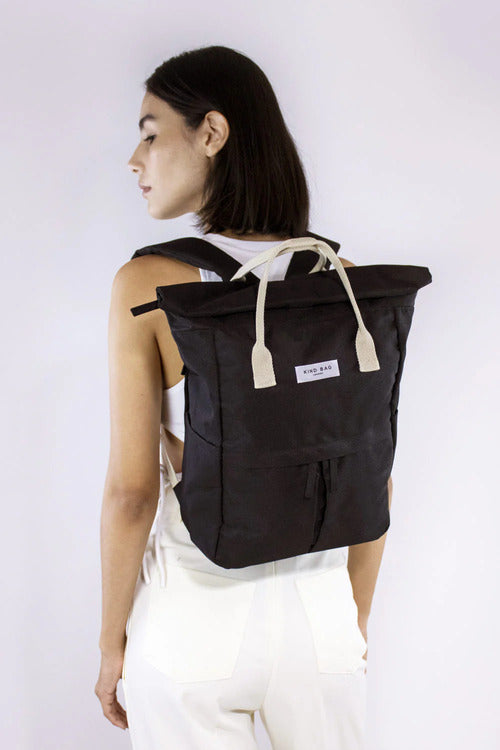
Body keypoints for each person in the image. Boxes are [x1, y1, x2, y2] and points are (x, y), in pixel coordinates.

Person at [95, 45, 393, 749]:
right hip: (320, 617)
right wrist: (351, 621)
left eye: (150, 134)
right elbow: (372, 473)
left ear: (212, 133)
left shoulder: (151, 287)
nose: (134, 160)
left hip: (195, 620)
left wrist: (111, 644)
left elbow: (132, 493)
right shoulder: (345, 281)